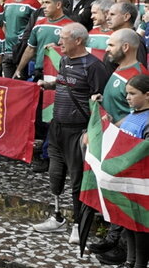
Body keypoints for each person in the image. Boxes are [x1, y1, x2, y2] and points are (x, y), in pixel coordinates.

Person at [33, 23, 108, 243]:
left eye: (64, 38)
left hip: (78, 131)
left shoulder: (93, 66)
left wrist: (90, 131)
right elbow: (66, 82)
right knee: (55, 174)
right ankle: (57, 217)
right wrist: (50, 85)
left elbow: (100, 102)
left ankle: (78, 224)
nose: (59, 43)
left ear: (78, 40)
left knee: (77, 179)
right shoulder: (65, 60)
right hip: (57, 127)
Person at [106, 74, 149, 268]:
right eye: (127, 94)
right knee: (128, 223)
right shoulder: (133, 114)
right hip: (128, 180)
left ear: (147, 95)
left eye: (133, 94)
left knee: (140, 227)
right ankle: (130, 263)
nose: (128, 98)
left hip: (142, 182)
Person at [0, 0, 41, 77]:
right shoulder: (7, 2)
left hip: (22, 52)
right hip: (7, 51)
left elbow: (36, 29)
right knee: (8, 85)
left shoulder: (33, 3)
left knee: (20, 86)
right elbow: (5, 25)